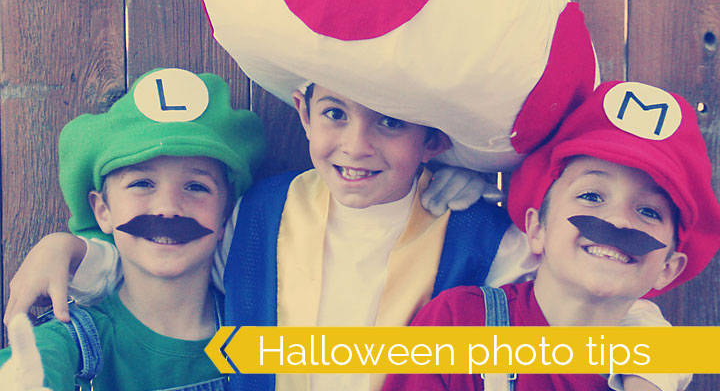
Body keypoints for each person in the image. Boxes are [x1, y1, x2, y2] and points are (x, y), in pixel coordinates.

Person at [5, 82, 686, 391]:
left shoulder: (480, 233)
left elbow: (591, 291)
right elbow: (166, 253)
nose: (356, 144)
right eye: (335, 112)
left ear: (433, 140)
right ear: (303, 111)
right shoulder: (258, 212)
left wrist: (654, 366)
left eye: (390, 122)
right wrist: (73, 250)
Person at [382, 81, 720, 391]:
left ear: (669, 268)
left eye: (649, 212)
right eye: (591, 196)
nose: (618, 220)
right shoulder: (458, 325)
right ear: (536, 229)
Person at [0, 67, 266, 390]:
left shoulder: (261, 338)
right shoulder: (78, 342)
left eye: (196, 187)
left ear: (224, 217)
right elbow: (40, 360)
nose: (168, 207)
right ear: (103, 211)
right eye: (142, 183)